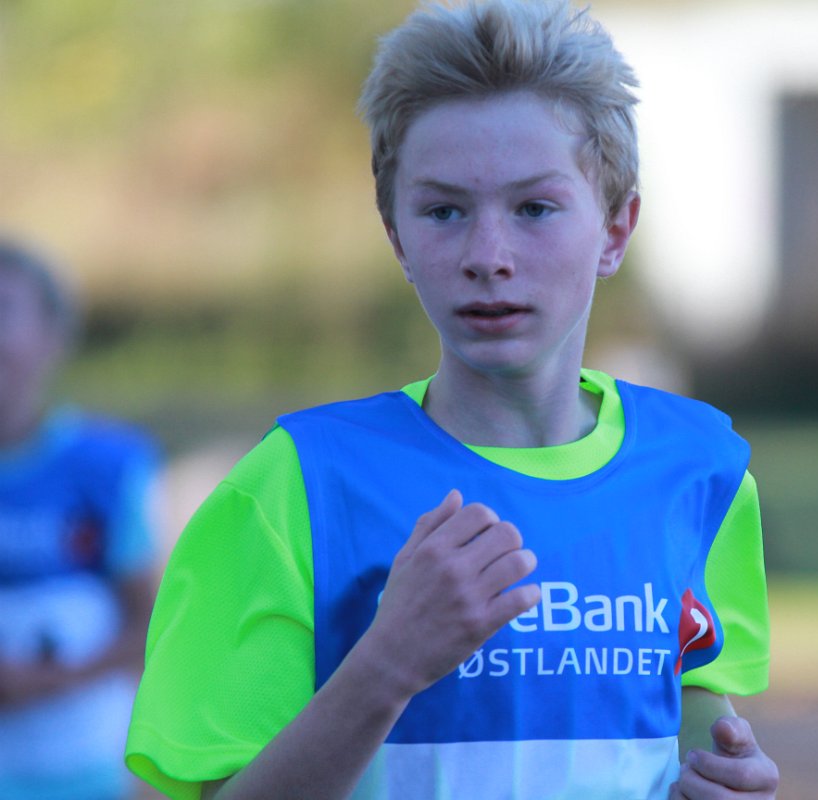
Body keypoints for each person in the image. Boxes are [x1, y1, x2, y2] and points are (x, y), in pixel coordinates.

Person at [125, 1, 778, 797]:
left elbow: (694, 720)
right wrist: (387, 664)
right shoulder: (294, 488)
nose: (487, 256)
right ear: (397, 236)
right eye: (443, 211)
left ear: (615, 228)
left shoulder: (699, 467)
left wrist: (727, 779)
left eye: (534, 208)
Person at [0, 239, 161, 799]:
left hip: (87, 771)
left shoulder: (109, 465)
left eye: (3, 310)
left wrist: (51, 680)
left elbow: (151, 623)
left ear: (53, 336)